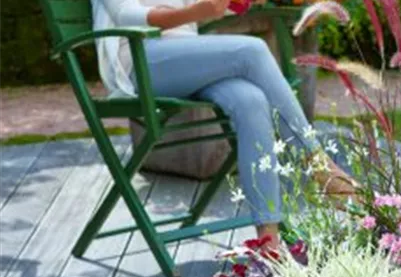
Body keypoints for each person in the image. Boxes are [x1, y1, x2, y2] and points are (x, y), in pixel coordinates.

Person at [93, 0, 356, 250]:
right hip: (139, 62)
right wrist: (195, 12)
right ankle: (317, 164)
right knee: (252, 50)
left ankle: (268, 243)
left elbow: (197, 8)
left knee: (251, 101)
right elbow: (127, 15)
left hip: (188, 57)